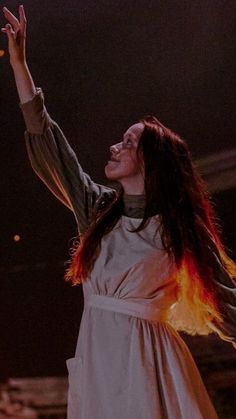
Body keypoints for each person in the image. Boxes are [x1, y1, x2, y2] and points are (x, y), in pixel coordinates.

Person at [2, 5, 236, 419]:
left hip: (151, 367)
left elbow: (227, 304)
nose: (115, 146)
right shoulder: (99, 212)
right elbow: (53, 151)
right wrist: (20, 65)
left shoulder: (181, 230)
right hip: (99, 363)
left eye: (128, 142)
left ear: (154, 161)